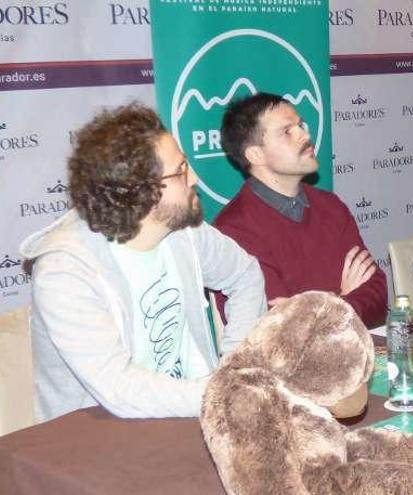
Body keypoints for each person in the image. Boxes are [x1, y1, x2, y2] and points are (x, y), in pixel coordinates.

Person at [20, 103, 267, 423]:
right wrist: (224, 394)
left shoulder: (184, 230)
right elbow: (120, 389)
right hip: (95, 442)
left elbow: (245, 275)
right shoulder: (64, 272)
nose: (194, 178)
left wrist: (235, 367)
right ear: (138, 192)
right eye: (180, 171)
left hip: (196, 415)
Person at [215, 93, 387, 327]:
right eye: (287, 131)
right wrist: (340, 302)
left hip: (358, 353)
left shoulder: (330, 206)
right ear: (256, 154)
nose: (305, 135)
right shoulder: (232, 231)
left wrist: (319, 310)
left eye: (301, 126)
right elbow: (281, 329)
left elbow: (377, 294)